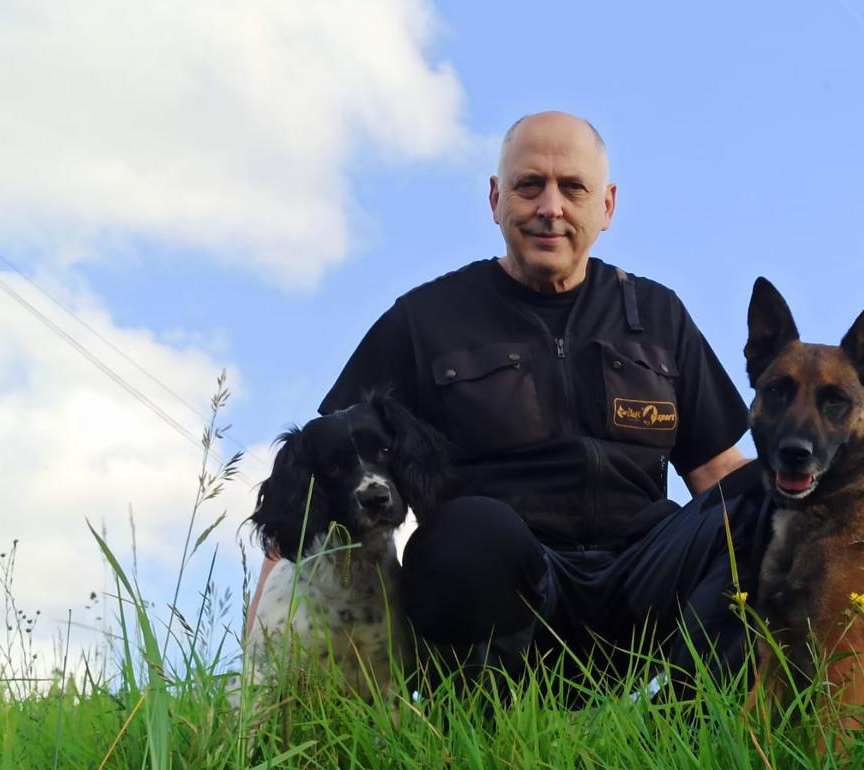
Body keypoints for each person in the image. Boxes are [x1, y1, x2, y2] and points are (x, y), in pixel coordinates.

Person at [247, 111, 767, 687]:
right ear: (496, 199)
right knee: (464, 532)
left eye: (573, 187)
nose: (551, 207)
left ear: (607, 206)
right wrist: (258, 658)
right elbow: (321, 473)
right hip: (514, 586)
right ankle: (484, 722)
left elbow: (718, 473)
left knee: (767, 498)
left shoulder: (658, 314)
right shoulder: (425, 319)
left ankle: (696, 726)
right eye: (529, 186)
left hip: (643, 577)